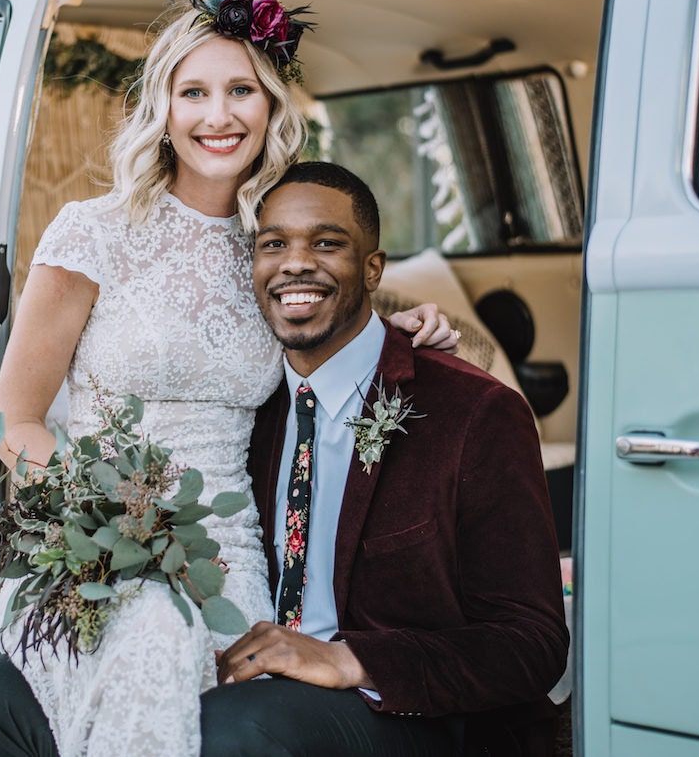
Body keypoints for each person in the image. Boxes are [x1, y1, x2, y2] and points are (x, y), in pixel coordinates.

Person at [0, 0, 457, 757]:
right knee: (152, 631)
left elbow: (333, 323)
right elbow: (16, 419)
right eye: (195, 93)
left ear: (270, 107)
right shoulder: (94, 233)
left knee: (223, 681)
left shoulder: (270, 248)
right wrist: (112, 526)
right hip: (91, 547)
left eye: (241, 90)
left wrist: (403, 330)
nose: (219, 115)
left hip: (226, 559)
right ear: (165, 109)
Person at [201, 162, 569, 756]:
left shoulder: (474, 411)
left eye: (326, 242)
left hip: (415, 717)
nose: (295, 262)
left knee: (229, 729)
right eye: (274, 244)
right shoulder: (245, 409)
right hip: (255, 688)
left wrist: (352, 662)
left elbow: (532, 644)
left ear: (373, 268)